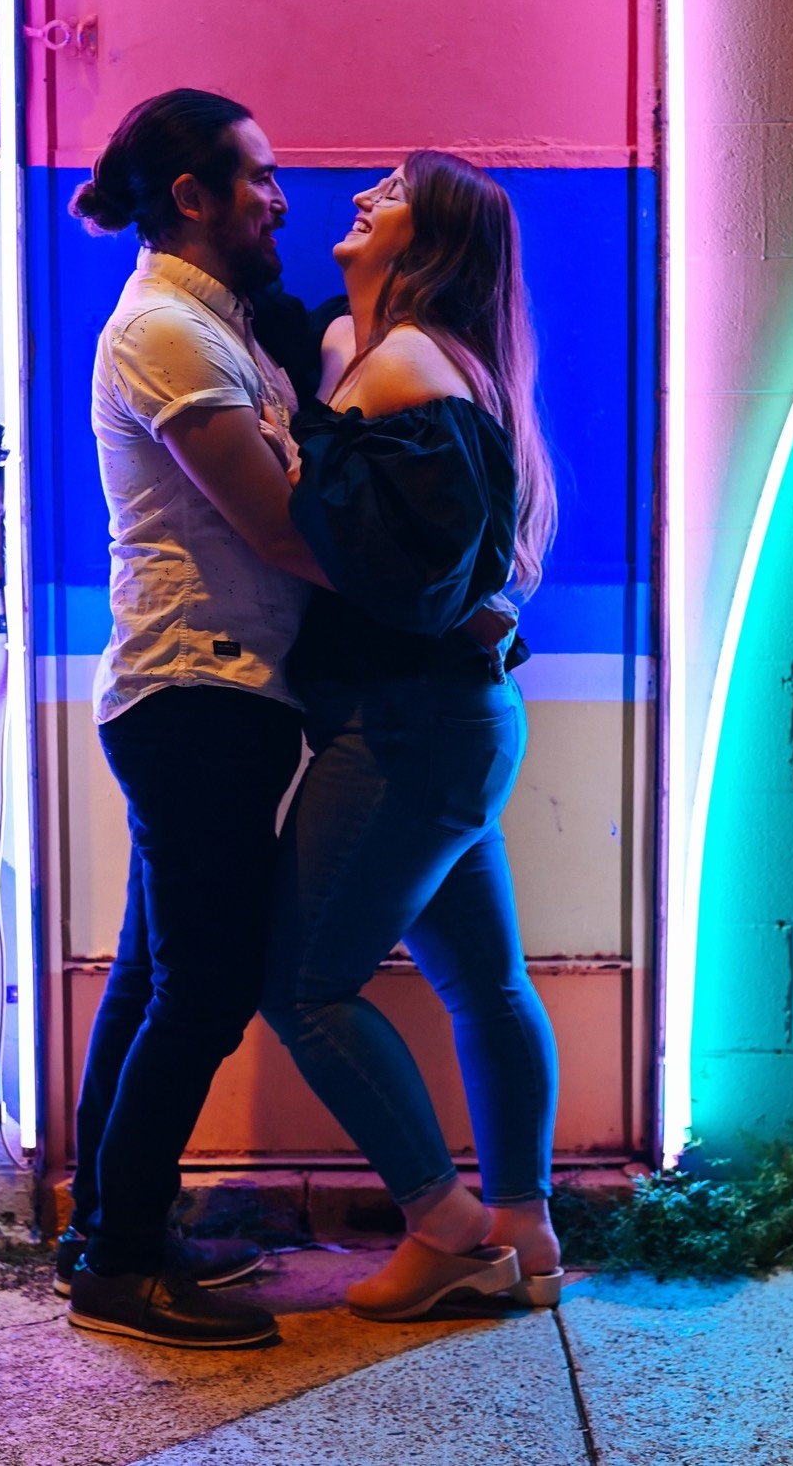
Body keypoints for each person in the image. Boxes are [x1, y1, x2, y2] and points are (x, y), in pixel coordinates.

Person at [261, 150, 564, 1321]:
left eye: (388, 193)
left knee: (302, 982)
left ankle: (446, 1230)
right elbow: (338, 350)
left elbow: (373, 551)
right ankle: (528, 1233)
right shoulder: (410, 355)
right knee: (485, 986)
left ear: (427, 241)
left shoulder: (408, 369)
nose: (359, 198)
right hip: (465, 720)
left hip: (406, 727)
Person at [60, 88, 336, 1349]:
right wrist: (440, 598)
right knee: (209, 988)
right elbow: (277, 524)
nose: (282, 197)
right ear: (195, 195)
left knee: (149, 981)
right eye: (261, 175)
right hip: (197, 696)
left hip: (206, 693)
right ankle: (119, 1263)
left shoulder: (213, 326)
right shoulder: (169, 333)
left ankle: (110, 1229)